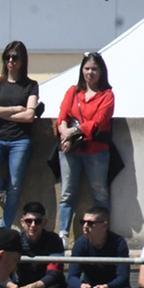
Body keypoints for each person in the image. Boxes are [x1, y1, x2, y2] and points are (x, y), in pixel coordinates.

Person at [0, 41, 40, 229]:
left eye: (15, 57)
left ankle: (4, 228)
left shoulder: (31, 85)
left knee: (15, 186)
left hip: (20, 141)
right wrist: (13, 109)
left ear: (22, 60)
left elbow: (29, 115)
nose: (11, 60)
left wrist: (1, 113)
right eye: (8, 56)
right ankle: (0, 186)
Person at [56, 51, 115, 243]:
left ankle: (102, 230)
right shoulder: (73, 91)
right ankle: (63, 233)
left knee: (99, 192)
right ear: (82, 70)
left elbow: (97, 123)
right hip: (70, 149)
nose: (90, 72)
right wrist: (64, 132)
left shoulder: (106, 95)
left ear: (101, 72)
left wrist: (72, 132)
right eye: (87, 68)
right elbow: (62, 116)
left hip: (96, 150)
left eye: (94, 69)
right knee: (67, 192)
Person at [0, 201, 65, 288]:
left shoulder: (53, 240)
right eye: (29, 221)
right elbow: (0, 272)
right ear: (22, 222)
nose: (33, 225)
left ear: (44, 222)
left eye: (37, 221)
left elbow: (54, 274)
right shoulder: (14, 241)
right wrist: (12, 287)